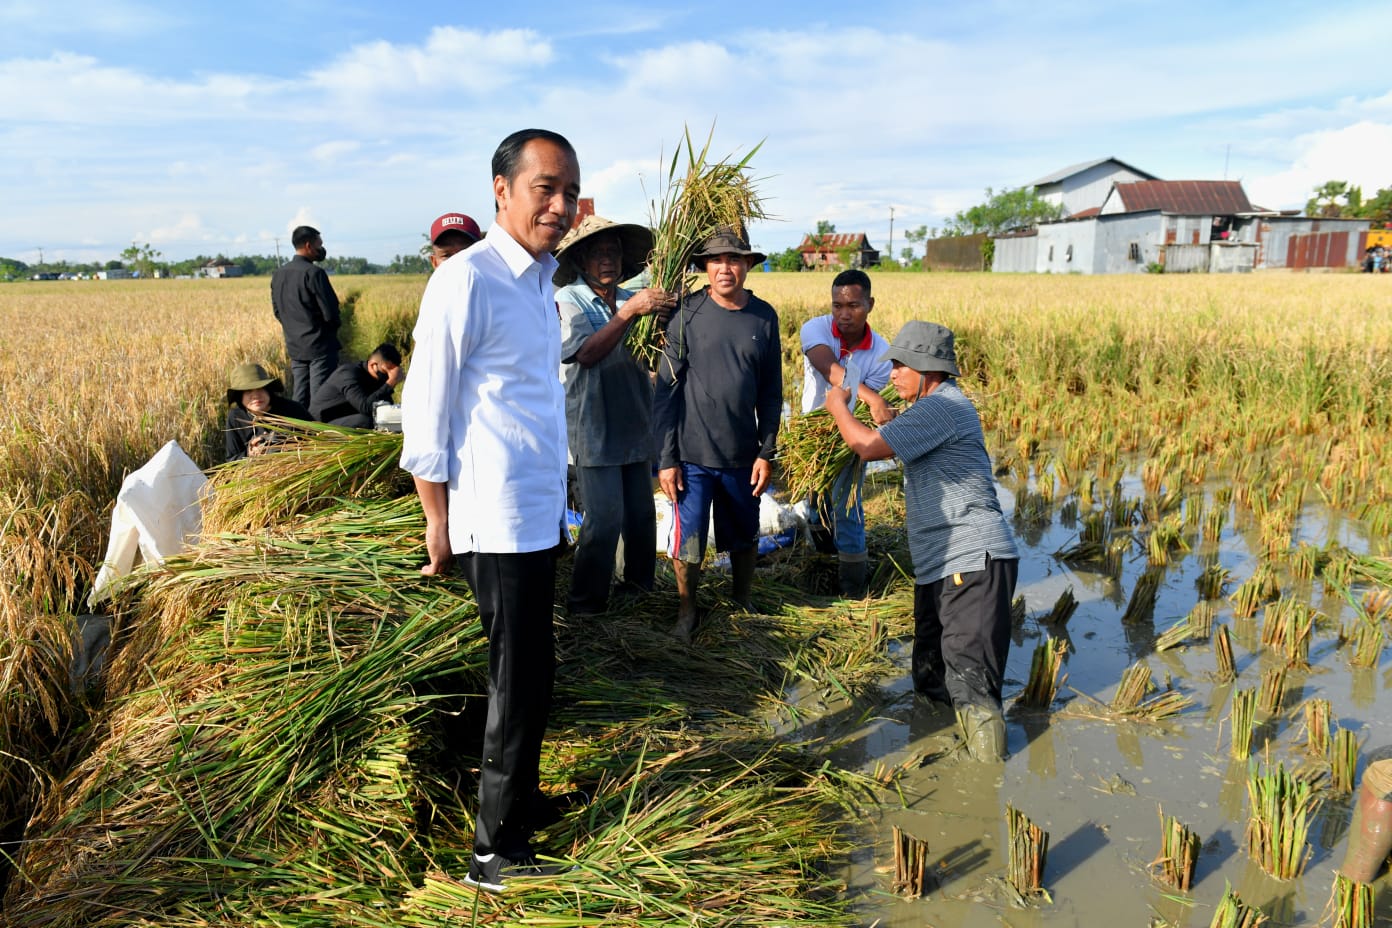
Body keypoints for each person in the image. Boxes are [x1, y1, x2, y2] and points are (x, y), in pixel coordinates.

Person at [399, 128, 579, 893]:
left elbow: (533, 402)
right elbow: (426, 406)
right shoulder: (467, 279)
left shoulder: (540, 282)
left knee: (535, 673)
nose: (561, 205)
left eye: (569, 191)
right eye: (546, 188)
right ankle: (492, 854)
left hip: (537, 512)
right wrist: (435, 520)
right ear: (501, 189)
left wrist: (565, 486)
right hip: (493, 517)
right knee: (514, 680)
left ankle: (523, 805)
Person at [822, 321, 1019, 762]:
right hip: (938, 564)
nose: (892, 375)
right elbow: (894, 437)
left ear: (927, 370)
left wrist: (838, 406)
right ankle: (940, 757)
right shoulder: (928, 410)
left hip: (972, 558)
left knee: (971, 686)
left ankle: (983, 791)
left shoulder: (944, 407)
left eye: (899, 366)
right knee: (930, 675)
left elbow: (868, 446)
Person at [653, 227, 782, 641]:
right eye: (716, 260)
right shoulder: (686, 314)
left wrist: (767, 451)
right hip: (691, 456)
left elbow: (772, 391)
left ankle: (742, 601)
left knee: (745, 535)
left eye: (734, 260)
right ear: (705, 268)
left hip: (743, 455)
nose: (725, 268)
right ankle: (687, 610)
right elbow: (666, 390)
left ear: (747, 266)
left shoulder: (764, 317)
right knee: (688, 543)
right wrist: (667, 459)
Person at [554, 215, 674, 616]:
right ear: (582, 259)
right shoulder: (568, 299)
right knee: (604, 520)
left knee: (640, 517)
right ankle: (586, 605)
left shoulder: (626, 299)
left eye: (614, 252)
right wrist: (631, 315)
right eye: (599, 253)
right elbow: (585, 353)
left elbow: (655, 353)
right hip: (593, 425)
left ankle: (639, 594)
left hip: (635, 422)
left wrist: (660, 318)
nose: (607, 260)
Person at [799, 268, 896, 597]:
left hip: (851, 440)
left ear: (870, 304)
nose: (843, 314)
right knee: (814, 502)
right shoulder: (816, 328)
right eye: (837, 305)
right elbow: (828, 367)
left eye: (853, 305)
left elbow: (872, 416)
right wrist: (872, 397)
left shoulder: (882, 354)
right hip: (811, 438)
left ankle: (853, 592)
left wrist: (872, 404)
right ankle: (821, 560)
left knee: (848, 510)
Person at [271, 226, 341, 408]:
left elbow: (278, 311)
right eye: (320, 244)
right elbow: (331, 312)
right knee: (320, 397)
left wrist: (294, 330)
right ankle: (317, 434)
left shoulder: (278, 274)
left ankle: (297, 433)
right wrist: (329, 333)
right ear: (309, 245)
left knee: (300, 395)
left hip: (294, 345)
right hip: (320, 346)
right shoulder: (314, 273)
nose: (322, 249)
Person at [224, 362, 311, 461]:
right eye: (248, 391)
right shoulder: (236, 417)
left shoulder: (292, 410)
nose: (256, 396)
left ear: (268, 390)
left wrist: (288, 447)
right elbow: (231, 459)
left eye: (260, 388)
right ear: (239, 396)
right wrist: (250, 453)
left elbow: (318, 440)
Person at [310, 343, 404, 428]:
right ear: (373, 365)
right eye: (387, 370)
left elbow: (385, 405)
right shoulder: (348, 374)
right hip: (321, 424)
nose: (390, 375)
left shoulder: (378, 378)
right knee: (368, 421)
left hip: (346, 417)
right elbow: (365, 407)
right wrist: (391, 382)